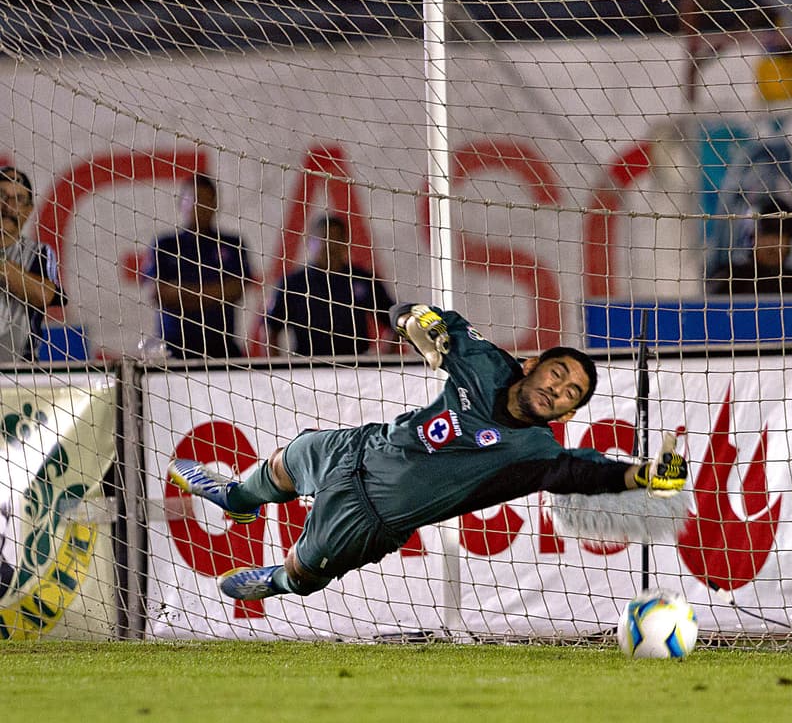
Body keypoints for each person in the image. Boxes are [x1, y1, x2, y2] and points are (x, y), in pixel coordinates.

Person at [168, 303, 689, 601]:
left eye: (572, 394)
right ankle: (238, 497)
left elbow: (584, 471)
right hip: (361, 447)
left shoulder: (535, 453)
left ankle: (279, 580)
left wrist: (644, 475)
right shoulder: (486, 362)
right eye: (558, 374)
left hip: (369, 515)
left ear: (567, 416)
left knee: (306, 576)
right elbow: (423, 319)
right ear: (531, 364)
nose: (559, 390)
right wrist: (418, 321)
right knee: (288, 459)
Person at [143, 174, 256, 359]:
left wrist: (181, 295)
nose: (201, 207)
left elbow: (235, 290)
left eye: (207, 200)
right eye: (195, 200)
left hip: (220, 348)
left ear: (215, 205)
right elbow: (156, 292)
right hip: (173, 349)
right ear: (181, 204)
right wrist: (213, 295)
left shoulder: (232, 244)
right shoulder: (165, 245)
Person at [264, 215, 396, 357]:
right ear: (309, 242)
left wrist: (384, 358)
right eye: (324, 239)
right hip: (307, 369)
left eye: (337, 239)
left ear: (346, 243)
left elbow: (395, 322)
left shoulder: (363, 279)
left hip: (356, 368)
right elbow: (270, 329)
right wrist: (281, 373)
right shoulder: (293, 284)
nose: (331, 246)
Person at [0, 166, 65, 362]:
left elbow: (43, 295)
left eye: (18, 200)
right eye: (1, 196)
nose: (7, 207)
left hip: (21, 371)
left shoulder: (39, 253)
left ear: (28, 210)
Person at [707, 196, 792, 296]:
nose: (772, 244)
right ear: (752, 238)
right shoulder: (731, 280)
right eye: (765, 234)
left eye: (779, 235)